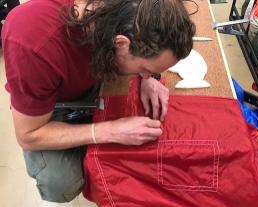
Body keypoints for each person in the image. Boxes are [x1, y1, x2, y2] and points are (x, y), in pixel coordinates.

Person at [2, 0, 195, 204]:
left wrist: (149, 78)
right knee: (60, 183)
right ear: (120, 43)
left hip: (98, 59)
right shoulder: (34, 44)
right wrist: (109, 131)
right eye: (146, 69)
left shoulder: (138, 14)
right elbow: (29, 135)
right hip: (53, 102)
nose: (147, 75)